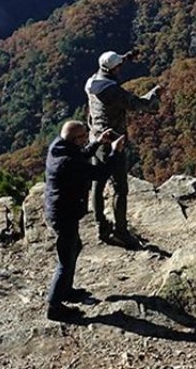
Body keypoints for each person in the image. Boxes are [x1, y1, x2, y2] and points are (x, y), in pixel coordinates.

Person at [43, 120, 123, 321]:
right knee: (65, 260)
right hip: (64, 215)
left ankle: (66, 291)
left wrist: (98, 142)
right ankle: (54, 307)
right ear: (75, 139)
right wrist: (115, 151)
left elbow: (81, 155)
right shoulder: (69, 162)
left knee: (75, 247)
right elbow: (100, 173)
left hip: (61, 210)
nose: (87, 139)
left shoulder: (58, 147)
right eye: (83, 137)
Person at [85, 50, 161, 247]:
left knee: (98, 184)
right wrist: (155, 93)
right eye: (119, 66)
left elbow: (110, 67)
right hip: (112, 142)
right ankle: (121, 231)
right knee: (120, 188)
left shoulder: (93, 81)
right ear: (114, 69)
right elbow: (139, 104)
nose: (121, 69)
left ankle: (101, 225)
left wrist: (125, 58)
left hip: (95, 138)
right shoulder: (113, 92)